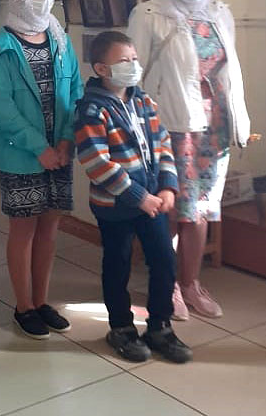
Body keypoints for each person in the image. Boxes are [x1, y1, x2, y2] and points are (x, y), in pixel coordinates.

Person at [128, 0, 252, 320]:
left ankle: (190, 283)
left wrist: (240, 118)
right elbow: (133, 75)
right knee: (170, 207)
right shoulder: (150, 14)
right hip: (173, 125)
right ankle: (166, 286)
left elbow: (231, 70)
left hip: (214, 126)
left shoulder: (219, 12)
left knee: (201, 208)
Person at [75, 30, 191, 364]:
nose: (133, 65)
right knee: (118, 263)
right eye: (124, 61)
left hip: (152, 203)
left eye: (135, 59)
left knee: (164, 260)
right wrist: (138, 196)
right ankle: (121, 327)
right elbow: (96, 163)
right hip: (115, 206)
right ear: (102, 68)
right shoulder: (92, 110)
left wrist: (167, 185)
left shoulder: (144, 102)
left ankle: (160, 326)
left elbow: (163, 144)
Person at [0, 0, 82, 339]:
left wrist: (66, 141)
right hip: (23, 154)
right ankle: (23, 306)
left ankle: (41, 301)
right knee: (24, 230)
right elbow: (3, 109)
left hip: (60, 152)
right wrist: (40, 149)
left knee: (50, 229)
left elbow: (75, 93)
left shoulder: (60, 40)